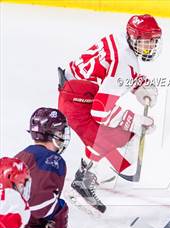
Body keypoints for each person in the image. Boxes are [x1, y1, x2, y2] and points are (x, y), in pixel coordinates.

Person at [57, 14, 162, 209]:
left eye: (154, 42)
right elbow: (101, 112)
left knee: (111, 139)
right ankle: (83, 183)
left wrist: (138, 84)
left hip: (75, 94)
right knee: (115, 138)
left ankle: (93, 175)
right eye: (146, 42)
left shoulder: (119, 39)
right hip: (77, 104)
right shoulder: (125, 61)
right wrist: (135, 120)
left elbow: (111, 71)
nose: (151, 47)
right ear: (133, 39)